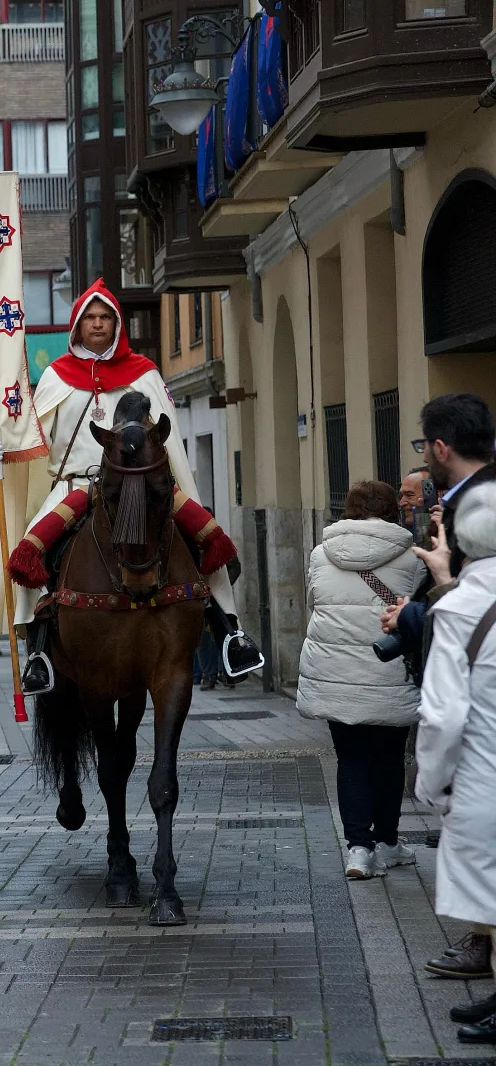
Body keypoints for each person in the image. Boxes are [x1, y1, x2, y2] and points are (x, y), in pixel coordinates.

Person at [0, 279, 262, 694]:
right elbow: (34, 437)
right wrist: (2, 449)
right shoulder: (56, 377)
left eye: (105, 317)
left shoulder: (144, 373)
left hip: (142, 484)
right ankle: (39, 652)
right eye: (90, 318)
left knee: (204, 536)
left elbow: (171, 442)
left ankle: (227, 630)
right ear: (77, 326)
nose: (98, 324)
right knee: (32, 548)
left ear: (117, 324)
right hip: (76, 487)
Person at [296, 480, 424, 880]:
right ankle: (387, 841)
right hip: (388, 670)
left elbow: (313, 603)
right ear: (391, 510)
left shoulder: (321, 553)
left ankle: (358, 850)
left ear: (347, 510)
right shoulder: (413, 557)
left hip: (334, 671)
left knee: (350, 758)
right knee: (388, 758)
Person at [413, 483, 496, 1025]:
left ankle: (228, 630)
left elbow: (443, 717)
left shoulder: (460, 607)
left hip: (484, 786)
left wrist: (429, 782)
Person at [383, 395, 496, 664]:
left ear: (441, 449)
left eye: (424, 446)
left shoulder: (479, 510)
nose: (424, 456)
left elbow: (476, 608)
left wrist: (410, 615)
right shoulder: (471, 503)